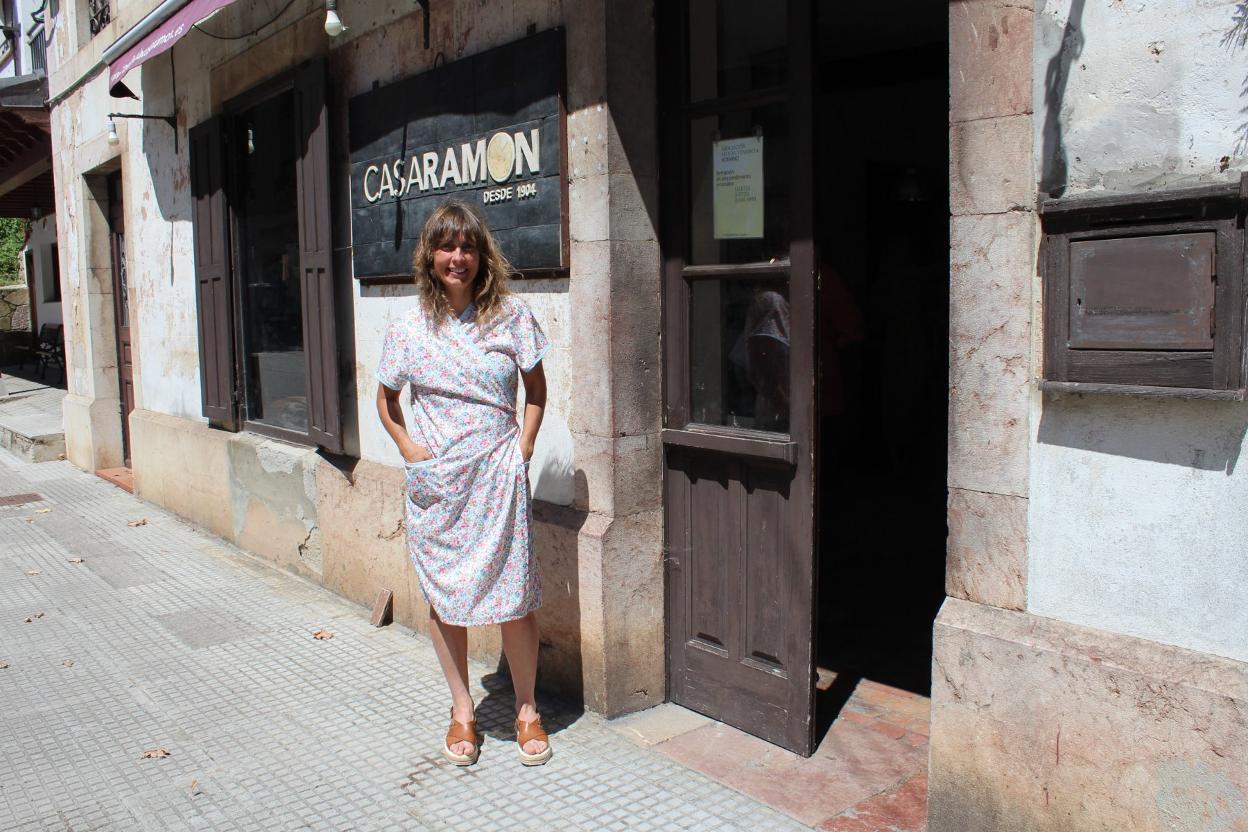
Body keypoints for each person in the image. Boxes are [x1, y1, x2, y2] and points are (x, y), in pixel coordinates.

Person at [375, 201, 551, 767]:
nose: (458, 257)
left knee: (514, 598)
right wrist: (409, 450)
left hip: (498, 480)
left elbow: (536, 390)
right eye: (447, 246)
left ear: (482, 255)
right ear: (429, 256)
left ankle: (526, 708)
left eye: (468, 247)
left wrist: (523, 448)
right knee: (446, 600)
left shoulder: (512, 317)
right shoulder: (408, 327)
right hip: (440, 487)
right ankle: (462, 710)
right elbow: (386, 400)